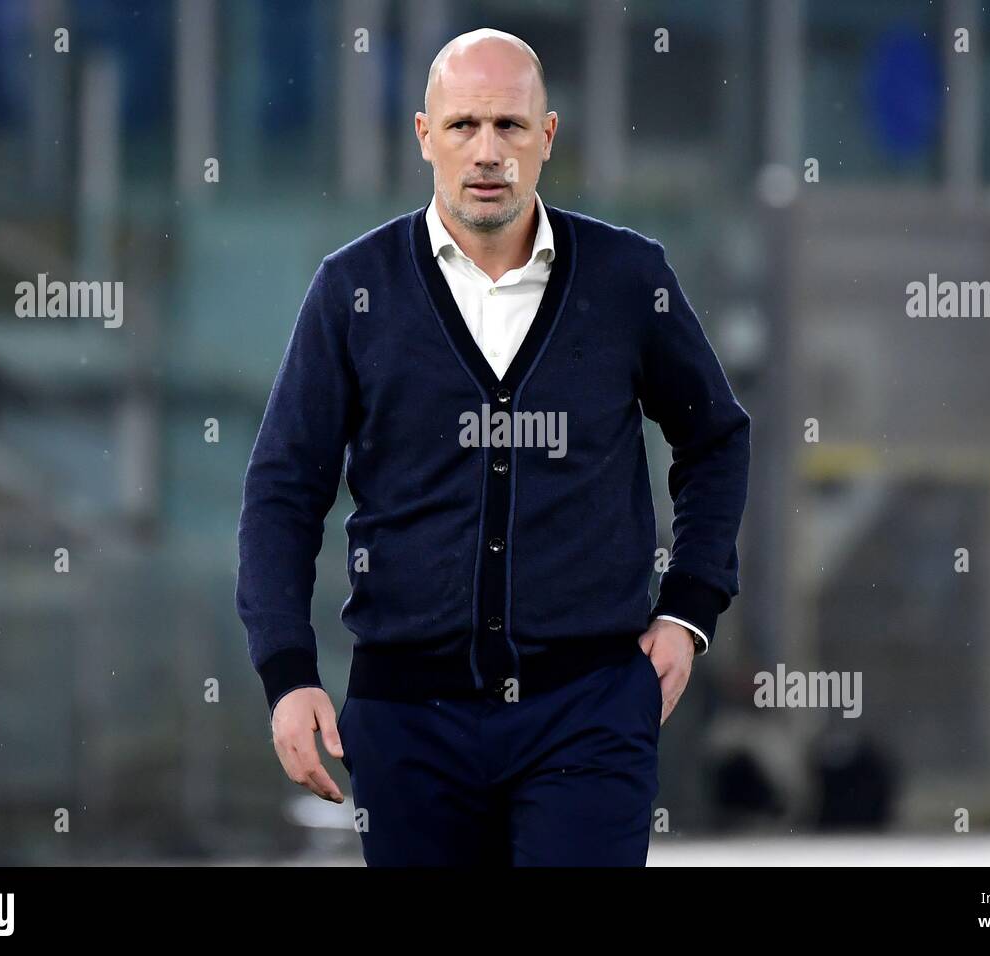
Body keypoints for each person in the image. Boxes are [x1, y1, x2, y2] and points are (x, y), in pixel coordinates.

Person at [236, 28, 751, 866]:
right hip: (409, 719)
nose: (487, 152)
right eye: (464, 125)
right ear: (424, 136)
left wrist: (688, 609)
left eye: (510, 126)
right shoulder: (354, 292)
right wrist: (287, 673)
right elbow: (283, 492)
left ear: (547, 138)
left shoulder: (628, 280)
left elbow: (716, 438)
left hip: (587, 708)